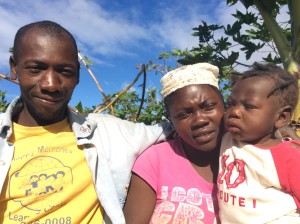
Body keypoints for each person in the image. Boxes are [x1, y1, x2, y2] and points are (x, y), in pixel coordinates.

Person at [0, 20, 171, 224]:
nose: (51, 84)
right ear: (14, 68)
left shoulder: (108, 132)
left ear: (78, 75)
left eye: (65, 71)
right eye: (36, 68)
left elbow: (175, 128)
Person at [123, 63, 224, 223]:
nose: (200, 120)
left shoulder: (250, 157)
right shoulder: (154, 160)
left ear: (224, 106)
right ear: (171, 121)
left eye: (208, 107)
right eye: (184, 114)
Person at [217, 62, 300, 223]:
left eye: (248, 106)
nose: (234, 111)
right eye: (231, 104)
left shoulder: (288, 156)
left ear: (281, 117)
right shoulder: (228, 137)